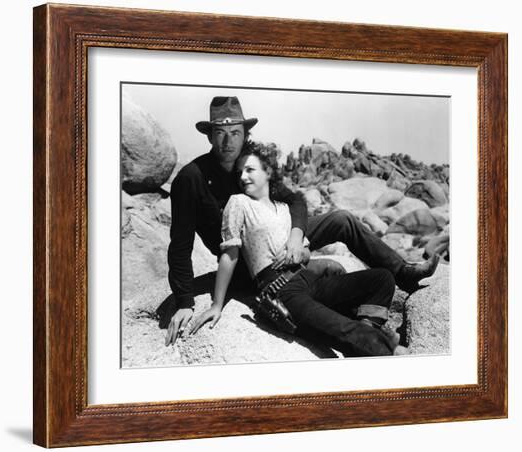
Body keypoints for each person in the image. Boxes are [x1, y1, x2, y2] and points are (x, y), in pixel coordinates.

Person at [165, 96, 438, 345]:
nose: (228, 142)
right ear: (210, 137)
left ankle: (403, 274)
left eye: (235, 133)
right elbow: (180, 246)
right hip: (249, 264)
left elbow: (295, 199)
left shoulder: (251, 163)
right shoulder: (191, 178)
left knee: (341, 219)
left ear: (245, 134)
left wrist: (296, 237)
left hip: (281, 239)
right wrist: (185, 302)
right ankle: (367, 328)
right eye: (220, 134)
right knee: (330, 270)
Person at [190, 142, 405, 356]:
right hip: (280, 291)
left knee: (383, 279)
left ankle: (367, 337)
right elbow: (230, 254)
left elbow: (306, 251)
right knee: (346, 329)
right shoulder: (238, 203)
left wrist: (299, 252)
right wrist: (217, 304)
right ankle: (378, 347)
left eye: (250, 170)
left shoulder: (284, 208)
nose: (243, 177)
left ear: (268, 172)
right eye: (239, 173)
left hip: (308, 278)